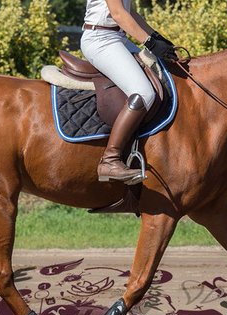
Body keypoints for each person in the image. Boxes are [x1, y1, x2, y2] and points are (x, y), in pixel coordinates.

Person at [81, 0, 178, 184]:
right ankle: (110, 160)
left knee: (164, 71)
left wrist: (157, 38)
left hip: (118, 39)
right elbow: (118, 14)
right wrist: (150, 43)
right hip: (100, 40)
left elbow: (130, 12)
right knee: (144, 93)